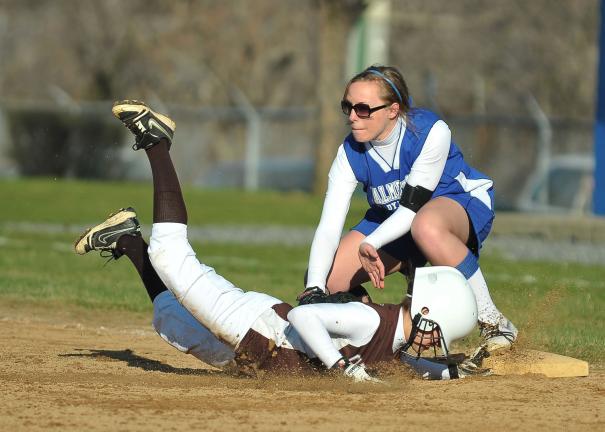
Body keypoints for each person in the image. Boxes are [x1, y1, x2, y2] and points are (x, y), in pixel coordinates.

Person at [74, 100, 489, 382]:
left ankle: (128, 240)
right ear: (426, 313)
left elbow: (421, 366)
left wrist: (454, 372)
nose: (434, 343)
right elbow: (304, 320)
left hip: (261, 353)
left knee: (172, 324)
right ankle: (157, 143)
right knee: (170, 254)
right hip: (259, 324)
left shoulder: (401, 344)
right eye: (438, 333)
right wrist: (342, 366)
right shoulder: (372, 322)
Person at [298, 65, 517, 353]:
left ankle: (494, 322)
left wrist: (371, 243)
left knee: (426, 227)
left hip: (454, 204)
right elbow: (329, 226)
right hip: (393, 218)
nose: (352, 116)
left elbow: (413, 209)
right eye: (347, 106)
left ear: (392, 109)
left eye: (363, 109)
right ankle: (382, 335)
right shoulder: (349, 152)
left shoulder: (429, 131)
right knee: (328, 277)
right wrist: (315, 287)